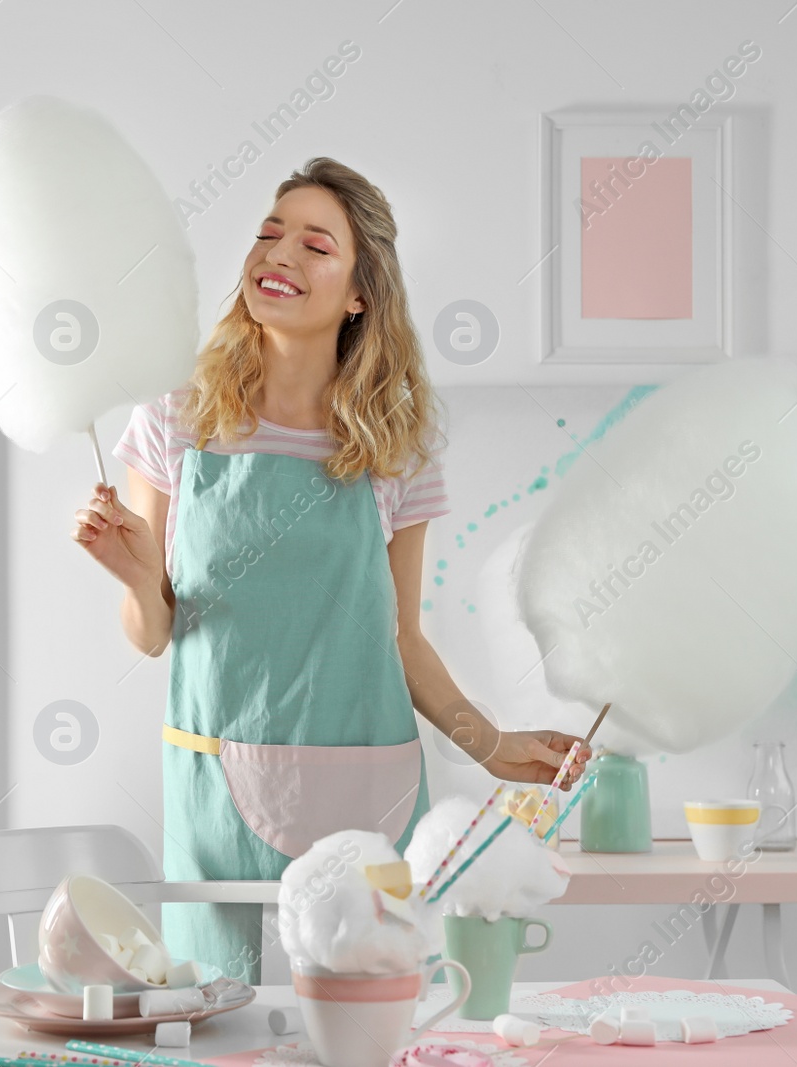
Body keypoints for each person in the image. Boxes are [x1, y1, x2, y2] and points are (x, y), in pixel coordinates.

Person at [72, 157, 590, 983]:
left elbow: (403, 639)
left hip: (367, 787)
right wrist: (136, 578)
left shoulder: (396, 442)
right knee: (213, 1023)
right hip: (215, 786)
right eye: (269, 234)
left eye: (316, 244)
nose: (278, 255)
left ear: (359, 294)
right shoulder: (178, 412)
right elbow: (156, 632)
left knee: (376, 1024)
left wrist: (489, 745)